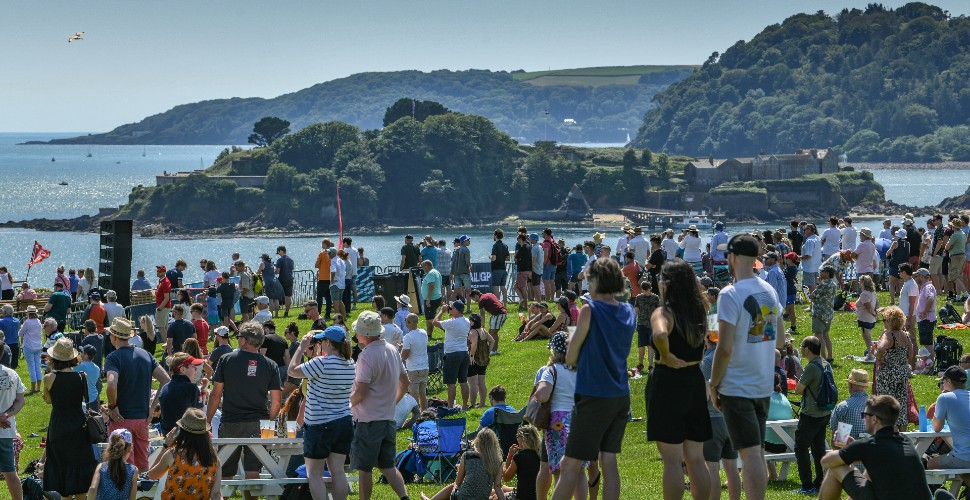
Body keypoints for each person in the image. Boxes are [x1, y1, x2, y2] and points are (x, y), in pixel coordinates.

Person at [708, 233, 785, 500]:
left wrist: (714, 384)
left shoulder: (730, 294)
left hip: (737, 385)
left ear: (733, 257)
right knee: (756, 450)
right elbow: (781, 340)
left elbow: (724, 347)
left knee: (750, 452)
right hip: (762, 383)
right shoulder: (769, 290)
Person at [553, 257, 635, 500]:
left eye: (589, 280)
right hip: (620, 393)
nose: (587, 285)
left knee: (570, 464)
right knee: (608, 460)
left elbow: (570, 357)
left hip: (594, 394)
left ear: (597, 281)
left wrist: (573, 341)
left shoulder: (591, 309)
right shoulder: (628, 311)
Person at [647, 260, 712, 499]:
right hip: (694, 380)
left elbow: (660, 333)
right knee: (696, 458)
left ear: (666, 284)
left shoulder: (664, 312)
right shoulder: (700, 310)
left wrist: (665, 354)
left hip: (668, 382)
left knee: (672, 461)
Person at [206, 321, 281, 500]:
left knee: (225, 471)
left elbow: (215, 395)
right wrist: (269, 424)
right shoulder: (271, 365)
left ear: (244, 340)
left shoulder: (226, 360)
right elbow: (276, 402)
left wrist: (207, 421)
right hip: (259, 423)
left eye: (239, 336)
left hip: (231, 421)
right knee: (253, 471)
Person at [818, 395, 933, 500]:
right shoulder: (904, 441)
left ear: (874, 419)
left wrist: (849, 450)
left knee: (836, 468)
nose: (863, 419)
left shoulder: (869, 445)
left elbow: (825, 462)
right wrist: (854, 450)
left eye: (864, 415)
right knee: (872, 468)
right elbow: (874, 459)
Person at [348, 311, 410, 500]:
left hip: (368, 420)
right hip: (387, 418)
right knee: (387, 465)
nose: (356, 335)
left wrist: (346, 405)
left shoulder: (366, 355)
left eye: (358, 331)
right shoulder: (391, 349)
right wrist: (392, 402)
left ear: (365, 335)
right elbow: (405, 382)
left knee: (364, 467)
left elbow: (362, 392)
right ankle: (405, 498)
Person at [287, 326, 355, 500]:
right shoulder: (350, 363)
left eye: (322, 341)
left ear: (328, 342)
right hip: (343, 422)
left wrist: (301, 348)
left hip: (319, 424)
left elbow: (292, 370)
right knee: (338, 471)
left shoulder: (321, 363)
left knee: (314, 474)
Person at [104, 317, 170, 471]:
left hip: (121, 419)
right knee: (142, 466)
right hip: (142, 419)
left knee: (121, 468)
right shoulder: (146, 355)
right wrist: (152, 407)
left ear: (114, 337)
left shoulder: (113, 357)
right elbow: (166, 380)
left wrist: (113, 406)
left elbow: (111, 385)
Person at [43, 337, 98, 496]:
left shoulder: (49, 378)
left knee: (61, 467)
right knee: (80, 469)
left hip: (59, 425)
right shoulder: (82, 377)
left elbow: (48, 400)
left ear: (54, 358)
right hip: (78, 424)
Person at [700, 330, 741, 500]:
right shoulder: (733, 358)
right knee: (732, 468)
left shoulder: (708, 361)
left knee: (712, 469)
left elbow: (705, 395)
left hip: (713, 418)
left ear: (706, 339)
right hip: (731, 419)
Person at [147, 408, 221, 499]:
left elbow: (151, 475)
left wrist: (165, 447)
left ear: (182, 431)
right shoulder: (214, 458)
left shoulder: (173, 454)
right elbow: (216, 494)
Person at [792, 336, 832, 495]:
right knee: (818, 449)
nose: (801, 348)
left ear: (807, 349)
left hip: (811, 414)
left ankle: (807, 485)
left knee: (800, 447)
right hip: (825, 412)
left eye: (802, 346)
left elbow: (798, 390)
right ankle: (821, 482)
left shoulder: (811, 367)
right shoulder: (826, 363)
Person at [420, 428, 506, 500]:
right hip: (482, 497)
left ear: (477, 441)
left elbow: (458, 482)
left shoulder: (467, 456)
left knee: (454, 485)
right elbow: (497, 486)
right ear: (495, 444)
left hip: (462, 497)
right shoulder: (498, 462)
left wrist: (453, 494)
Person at [874, 306, 913, 431]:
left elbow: (880, 348)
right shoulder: (905, 335)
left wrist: (878, 358)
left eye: (884, 319)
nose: (883, 322)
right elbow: (910, 354)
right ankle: (903, 436)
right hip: (902, 372)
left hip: (888, 374)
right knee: (901, 406)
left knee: (887, 405)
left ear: (889, 321)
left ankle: (891, 435)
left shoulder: (888, 335)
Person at [433, 300, 471, 408]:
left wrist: (442, 311)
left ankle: (450, 407)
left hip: (452, 353)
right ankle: (464, 405)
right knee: (463, 381)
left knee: (451, 383)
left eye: (452, 308)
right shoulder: (467, 321)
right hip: (464, 352)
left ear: (455, 309)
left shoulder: (452, 322)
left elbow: (435, 322)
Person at [158, 352, 204, 436]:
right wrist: (203, 392)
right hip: (186, 436)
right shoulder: (191, 388)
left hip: (168, 435)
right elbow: (200, 415)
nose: (196, 369)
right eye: (193, 367)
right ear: (182, 369)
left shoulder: (164, 388)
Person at [0, 347, 25, 500]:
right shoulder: (12, 374)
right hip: (6, 430)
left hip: (5, 427)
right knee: (10, 472)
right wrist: (6, 415)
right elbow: (21, 401)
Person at [86, 428, 138, 500]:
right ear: (129, 448)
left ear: (110, 447)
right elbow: (132, 498)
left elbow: (93, 488)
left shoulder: (101, 467)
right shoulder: (133, 470)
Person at [498, 424, 541, 500]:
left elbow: (506, 478)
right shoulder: (540, 455)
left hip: (522, 497)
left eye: (518, 436)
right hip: (538, 495)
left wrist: (509, 456)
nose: (516, 439)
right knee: (504, 488)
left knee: (494, 496)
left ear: (524, 438)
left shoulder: (520, 456)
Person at [764, 373, 793, 481]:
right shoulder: (784, 398)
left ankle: (733, 478)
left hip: (770, 445)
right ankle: (772, 473)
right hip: (787, 445)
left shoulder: (765, 398)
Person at [830, 369, 871, 443]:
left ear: (851, 385)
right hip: (872, 451)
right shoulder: (876, 407)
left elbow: (837, 443)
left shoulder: (842, 407)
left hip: (848, 452)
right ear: (866, 387)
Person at [402, 313, 429, 411]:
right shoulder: (424, 332)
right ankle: (425, 413)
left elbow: (404, 356)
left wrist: (402, 349)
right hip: (425, 366)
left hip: (414, 368)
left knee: (414, 394)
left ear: (407, 323)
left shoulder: (407, 337)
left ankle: (416, 416)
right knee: (423, 394)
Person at [810, 266, 837, 362]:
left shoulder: (824, 284)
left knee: (819, 336)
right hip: (828, 313)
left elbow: (813, 295)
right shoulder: (833, 284)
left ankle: (823, 358)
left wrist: (818, 283)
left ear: (827, 273)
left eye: (822, 271)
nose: (820, 273)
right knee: (826, 335)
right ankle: (830, 356)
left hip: (819, 312)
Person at [467, 314, 494, 409]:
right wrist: (488, 352)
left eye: (469, 320)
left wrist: (471, 356)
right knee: (481, 382)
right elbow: (492, 341)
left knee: (472, 382)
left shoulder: (473, 332)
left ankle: (473, 404)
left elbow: (474, 345)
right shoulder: (483, 330)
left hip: (474, 359)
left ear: (473, 322)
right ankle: (482, 403)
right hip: (484, 359)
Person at [469, 289, 507, 355]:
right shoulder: (489, 294)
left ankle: (494, 351)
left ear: (476, 296)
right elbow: (500, 303)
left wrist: (482, 325)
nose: (474, 301)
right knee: (491, 332)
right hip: (499, 313)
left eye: (473, 299)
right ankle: (492, 350)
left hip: (498, 314)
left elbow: (482, 314)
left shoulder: (481, 300)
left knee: (493, 332)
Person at [914, 267, 938, 364]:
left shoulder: (928, 287)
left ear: (922, 276)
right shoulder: (924, 287)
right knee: (925, 342)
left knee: (928, 343)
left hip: (927, 319)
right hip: (924, 319)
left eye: (917, 276)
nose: (916, 278)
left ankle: (931, 364)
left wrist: (925, 311)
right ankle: (927, 363)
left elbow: (931, 298)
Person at [19, 306, 43, 393]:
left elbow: (20, 333)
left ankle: (33, 388)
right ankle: (38, 387)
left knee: (31, 367)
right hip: (38, 346)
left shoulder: (27, 322)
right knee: (37, 366)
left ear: (28, 313)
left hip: (29, 346)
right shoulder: (38, 321)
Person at [856, 274, 879, 359]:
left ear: (863, 283)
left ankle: (870, 354)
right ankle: (872, 352)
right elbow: (877, 304)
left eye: (860, 282)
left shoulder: (864, 294)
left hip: (865, 318)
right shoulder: (872, 293)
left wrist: (874, 314)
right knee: (868, 335)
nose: (859, 283)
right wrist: (875, 314)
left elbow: (868, 307)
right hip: (870, 318)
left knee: (867, 338)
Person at [421, 259, 443, 338]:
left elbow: (431, 286)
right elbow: (441, 286)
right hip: (437, 297)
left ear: (427, 266)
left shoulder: (430, 274)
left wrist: (428, 300)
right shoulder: (437, 272)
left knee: (430, 319)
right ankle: (429, 335)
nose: (422, 268)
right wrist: (442, 297)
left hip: (431, 299)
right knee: (430, 318)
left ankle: (446, 328)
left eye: (423, 266)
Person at [75, 344, 101, 411]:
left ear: (86, 355)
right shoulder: (97, 368)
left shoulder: (80, 366)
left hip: (83, 400)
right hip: (94, 398)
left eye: (82, 352)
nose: (80, 354)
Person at [800, 223, 823, 293]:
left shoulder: (810, 241)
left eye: (806, 229)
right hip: (817, 265)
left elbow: (808, 255)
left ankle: (813, 301)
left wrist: (798, 258)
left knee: (810, 285)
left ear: (811, 230)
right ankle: (816, 299)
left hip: (809, 267)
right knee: (815, 283)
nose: (804, 231)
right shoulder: (817, 238)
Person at [315, 238, 334, 319]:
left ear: (325, 245)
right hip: (329, 278)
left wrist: (319, 265)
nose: (322, 245)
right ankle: (328, 313)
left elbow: (316, 264)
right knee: (328, 297)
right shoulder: (332, 254)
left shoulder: (322, 253)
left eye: (323, 244)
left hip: (322, 277)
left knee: (319, 297)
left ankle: (318, 313)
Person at [275, 245, 295, 317]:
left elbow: (278, 271)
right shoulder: (290, 259)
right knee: (288, 296)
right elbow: (291, 269)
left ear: (281, 251)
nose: (278, 254)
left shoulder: (280, 260)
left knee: (276, 295)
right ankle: (286, 312)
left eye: (278, 252)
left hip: (282, 279)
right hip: (290, 278)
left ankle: (276, 312)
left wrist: (272, 272)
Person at [154, 265, 172, 343]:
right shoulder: (161, 281)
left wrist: (160, 308)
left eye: (160, 271)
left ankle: (167, 346)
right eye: (157, 271)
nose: (158, 272)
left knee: (161, 327)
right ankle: (169, 345)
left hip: (163, 307)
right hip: (163, 306)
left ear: (164, 272)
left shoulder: (165, 282)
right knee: (164, 327)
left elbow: (166, 297)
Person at [0, 306, 18, 371]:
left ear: (4, 312)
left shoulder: (1, 322)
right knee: (13, 365)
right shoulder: (17, 321)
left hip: (5, 346)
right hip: (15, 345)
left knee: (5, 365)